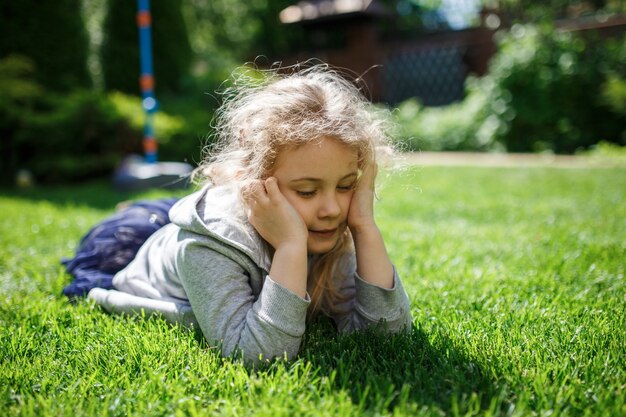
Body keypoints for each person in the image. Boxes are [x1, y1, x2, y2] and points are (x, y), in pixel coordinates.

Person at [67, 64, 412, 364]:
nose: (333, 209)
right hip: (143, 254)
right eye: (306, 191)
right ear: (253, 181)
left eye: (346, 185)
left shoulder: (328, 225)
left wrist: (364, 226)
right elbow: (258, 354)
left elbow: (387, 337)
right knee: (136, 230)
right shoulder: (209, 244)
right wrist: (292, 247)